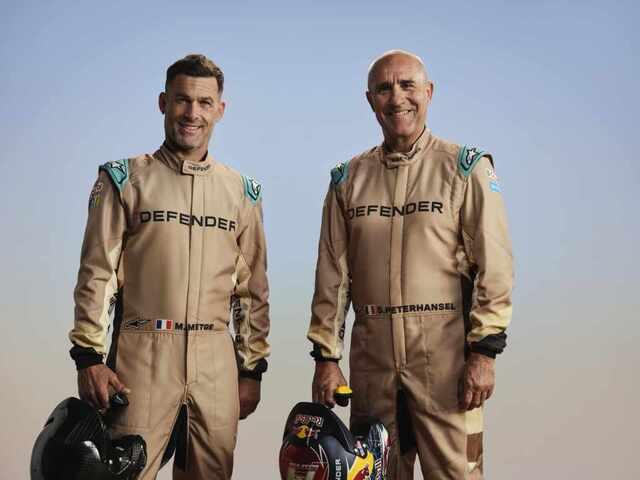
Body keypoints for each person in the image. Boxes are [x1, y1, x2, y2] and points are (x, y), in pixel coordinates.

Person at [307, 50, 513, 479]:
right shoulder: (347, 179)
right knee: (375, 474)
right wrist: (326, 357)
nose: (397, 97)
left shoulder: (465, 168)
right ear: (370, 100)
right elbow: (332, 277)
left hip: (446, 363)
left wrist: (484, 353)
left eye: (407, 85)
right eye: (384, 88)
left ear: (429, 92)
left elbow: (494, 267)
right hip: (372, 365)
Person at [69, 54, 270, 480]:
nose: (192, 113)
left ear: (220, 109)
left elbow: (252, 290)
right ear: (163, 103)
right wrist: (88, 358)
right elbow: (97, 275)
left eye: (204, 102)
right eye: (182, 100)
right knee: (125, 472)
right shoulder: (124, 179)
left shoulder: (242, 192)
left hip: (216, 363)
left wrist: (251, 369)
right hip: (141, 358)